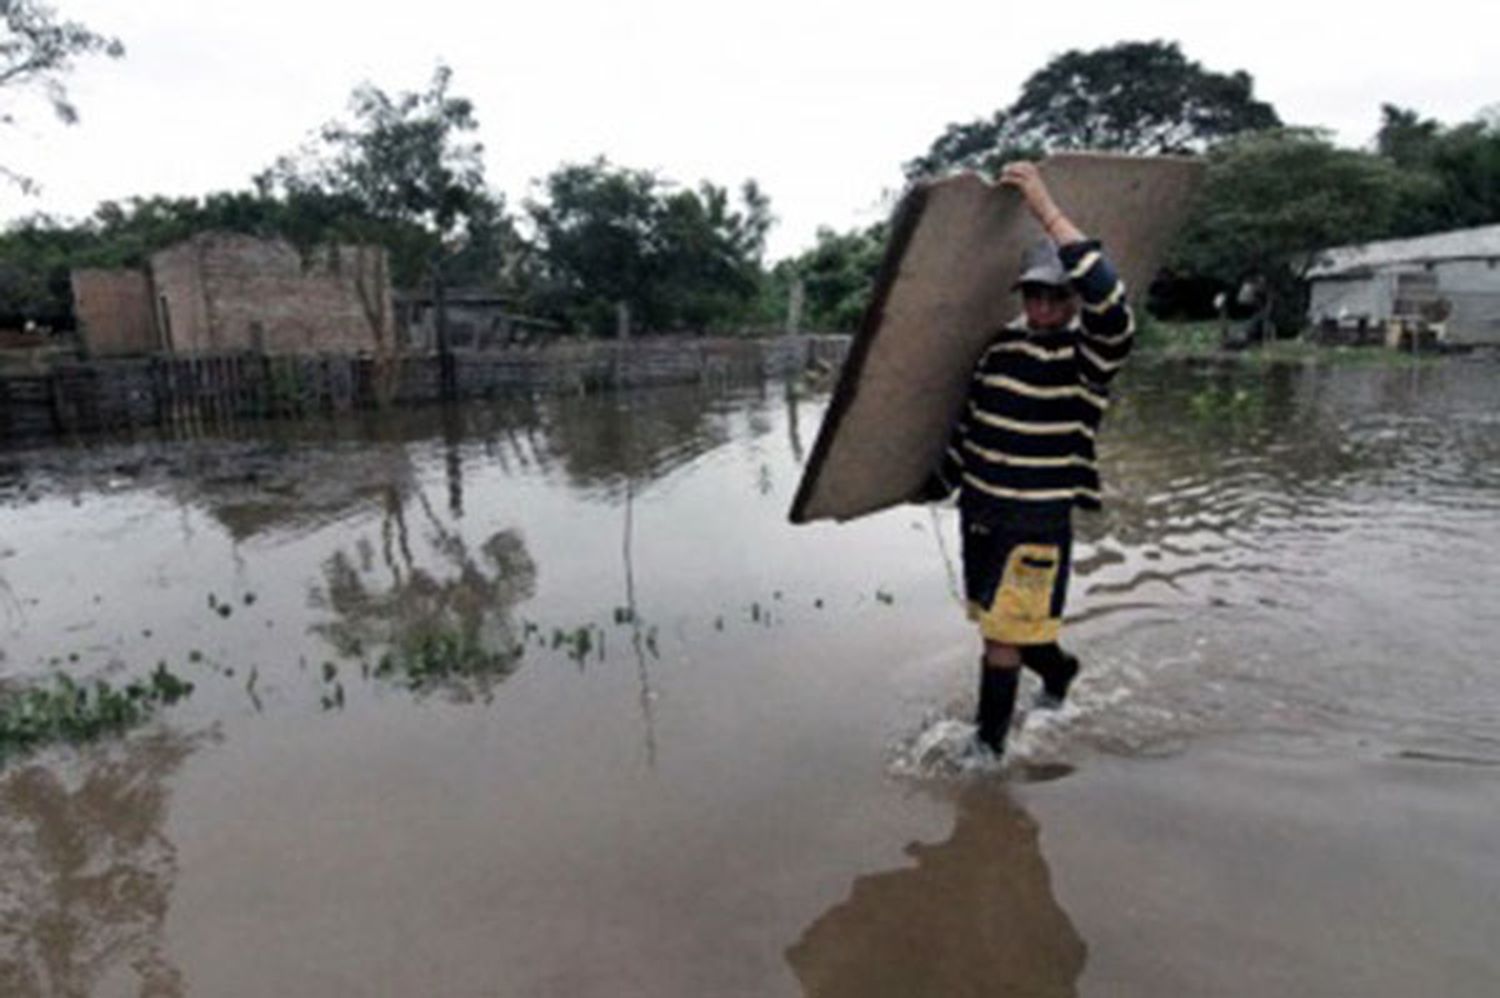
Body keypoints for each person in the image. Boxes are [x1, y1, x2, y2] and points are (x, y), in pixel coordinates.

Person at [918, 161, 1135, 756]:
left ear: (1071, 301)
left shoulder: (1090, 356)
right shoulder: (999, 349)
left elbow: (1112, 305)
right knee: (1002, 624)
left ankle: (987, 754)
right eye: (1033, 295)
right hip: (982, 513)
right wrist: (934, 481)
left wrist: (1044, 205)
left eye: (1055, 296)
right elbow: (971, 427)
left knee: (1000, 642)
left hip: (1035, 523)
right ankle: (1060, 672)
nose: (1042, 307)